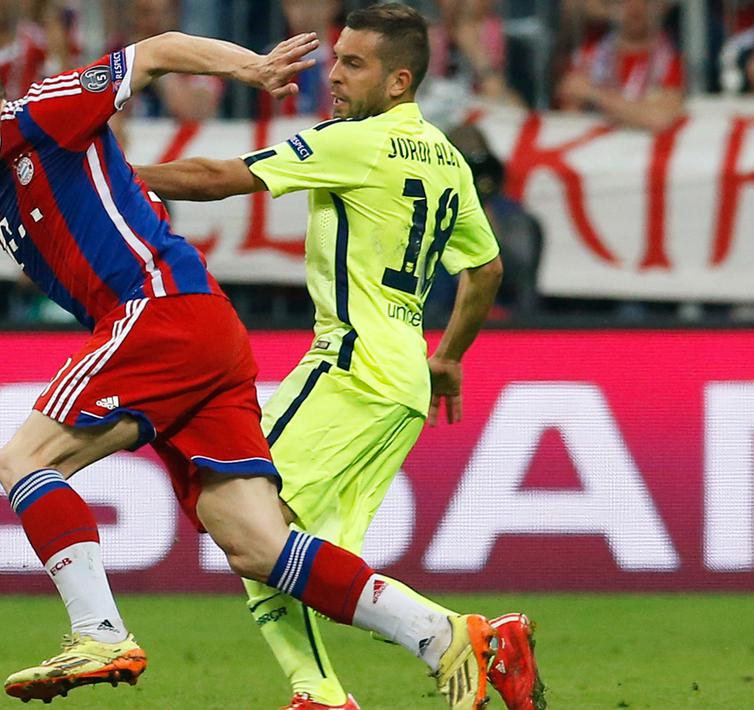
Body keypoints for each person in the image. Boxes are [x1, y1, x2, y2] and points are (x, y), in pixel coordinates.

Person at [0, 16, 496, 706]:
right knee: (255, 543)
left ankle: (99, 634)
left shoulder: (46, 113)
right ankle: (445, 636)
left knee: (24, 461)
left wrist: (248, 67)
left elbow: (153, 51)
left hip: (156, 309)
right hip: (202, 331)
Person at [136, 5, 543, 710]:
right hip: (403, 380)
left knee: (234, 510)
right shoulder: (445, 157)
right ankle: (325, 690)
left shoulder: (353, 143)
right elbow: (484, 269)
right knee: (279, 549)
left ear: (399, 80)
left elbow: (214, 177)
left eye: (354, 63)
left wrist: (104, 178)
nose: (335, 73)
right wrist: (445, 358)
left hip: (349, 364)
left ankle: (451, 637)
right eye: (337, 57)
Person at [556, 0, 685, 132]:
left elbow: (659, 118)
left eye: (645, 2)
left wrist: (595, 94)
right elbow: (569, 117)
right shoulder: (589, 55)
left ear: (659, 7)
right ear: (612, 7)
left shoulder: (670, 59)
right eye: (623, 2)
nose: (635, 9)